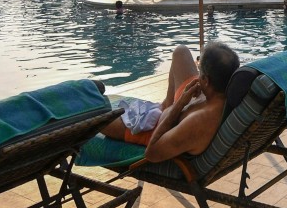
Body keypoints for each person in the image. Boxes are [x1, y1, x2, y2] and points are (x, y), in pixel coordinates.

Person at [101, 42, 240, 162]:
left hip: (155, 127)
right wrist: (187, 97)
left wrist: (180, 104)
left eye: (200, 72)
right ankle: (165, 105)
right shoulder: (227, 92)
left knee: (100, 122)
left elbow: (152, 153)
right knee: (181, 52)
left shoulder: (199, 121)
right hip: (185, 105)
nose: (198, 73)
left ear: (206, 81)